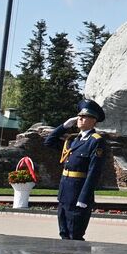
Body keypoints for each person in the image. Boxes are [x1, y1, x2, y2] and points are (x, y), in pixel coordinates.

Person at [41, 99, 109, 241]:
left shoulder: (96, 141)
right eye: (79, 116)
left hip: (78, 194)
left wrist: (84, 198)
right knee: (64, 233)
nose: (80, 119)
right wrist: (64, 126)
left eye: (84, 117)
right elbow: (49, 142)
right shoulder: (73, 140)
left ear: (94, 121)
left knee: (75, 235)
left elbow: (94, 172)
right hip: (65, 192)